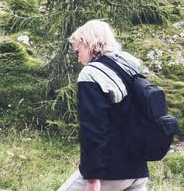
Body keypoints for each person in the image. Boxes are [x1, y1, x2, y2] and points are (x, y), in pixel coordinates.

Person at [58, 20, 148, 191]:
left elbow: (93, 128)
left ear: (87, 44)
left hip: (110, 171)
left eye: (78, 50)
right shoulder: (129, 68)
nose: (78, 57)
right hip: (138, 171)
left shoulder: (91, 74)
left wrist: (92, 177)